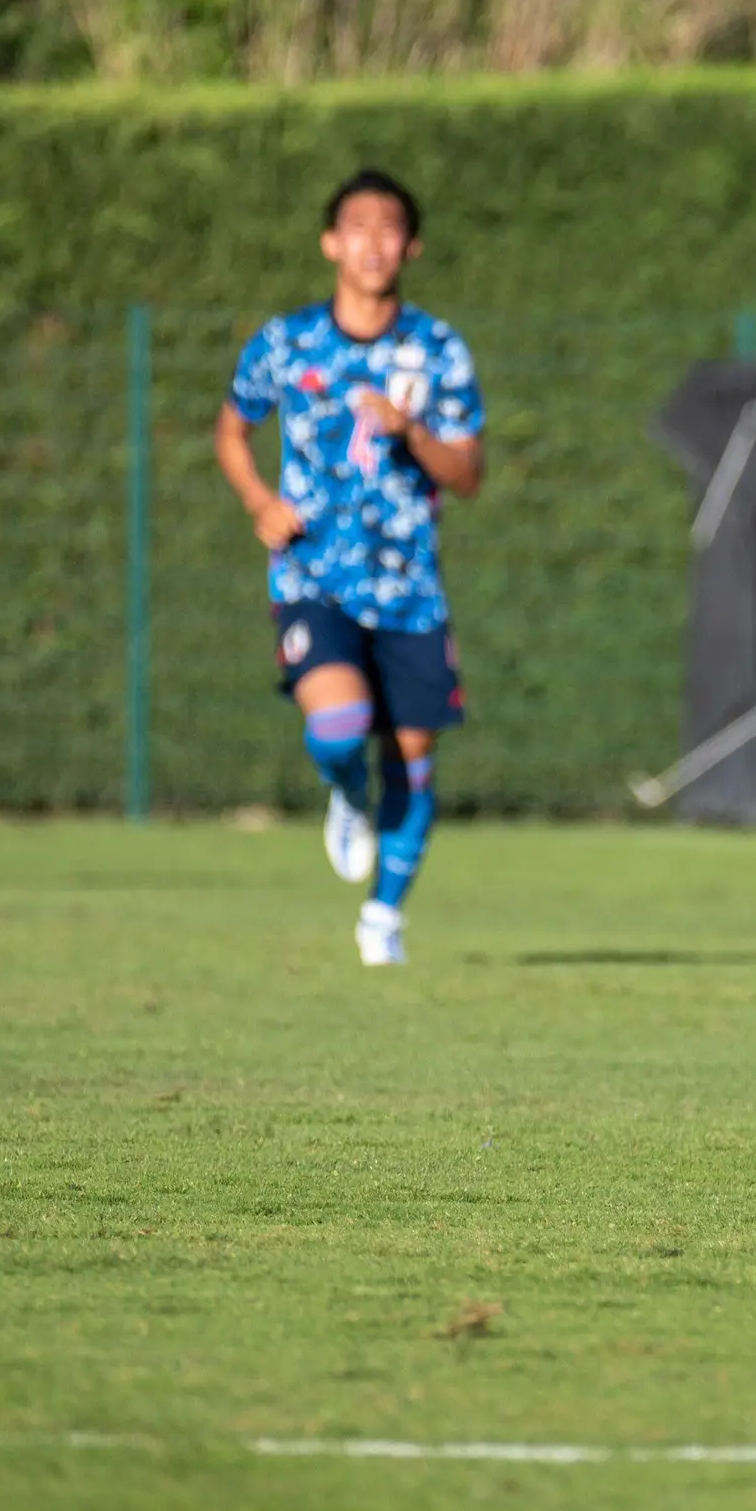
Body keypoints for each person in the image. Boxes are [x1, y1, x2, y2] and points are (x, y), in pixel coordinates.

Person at [215, 170, 485, 967]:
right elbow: (232, 430)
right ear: (331, 243)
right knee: (336, 725)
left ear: (412, 245)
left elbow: (468, 475)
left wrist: (412, 433)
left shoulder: (437, 350)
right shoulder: (285, 341)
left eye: (390, 227)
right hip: (312, 577)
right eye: (357, 226)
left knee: (417, 761)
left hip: (410, 590)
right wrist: (259, 500)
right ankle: (348, 793)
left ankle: (383, 919)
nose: (373, 241)